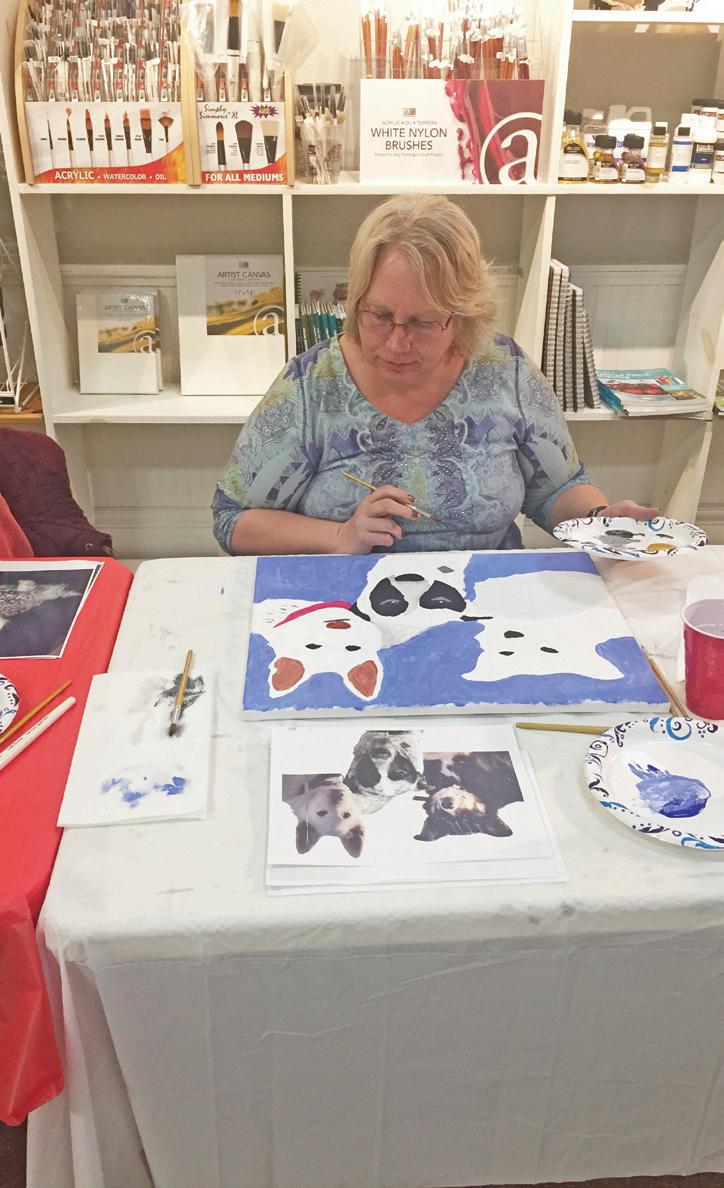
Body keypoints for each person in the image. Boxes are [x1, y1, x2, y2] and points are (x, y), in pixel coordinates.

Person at [212, 194, 656, 555]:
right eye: (379, 316)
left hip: (487, 603)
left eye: (422, 323)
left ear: (463, 316)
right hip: (347, 611)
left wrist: (600, 520)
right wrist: (340, 536)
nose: (396, 343)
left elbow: (556, 491)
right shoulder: (313, 386)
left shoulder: (504, 370)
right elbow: (233, 520)